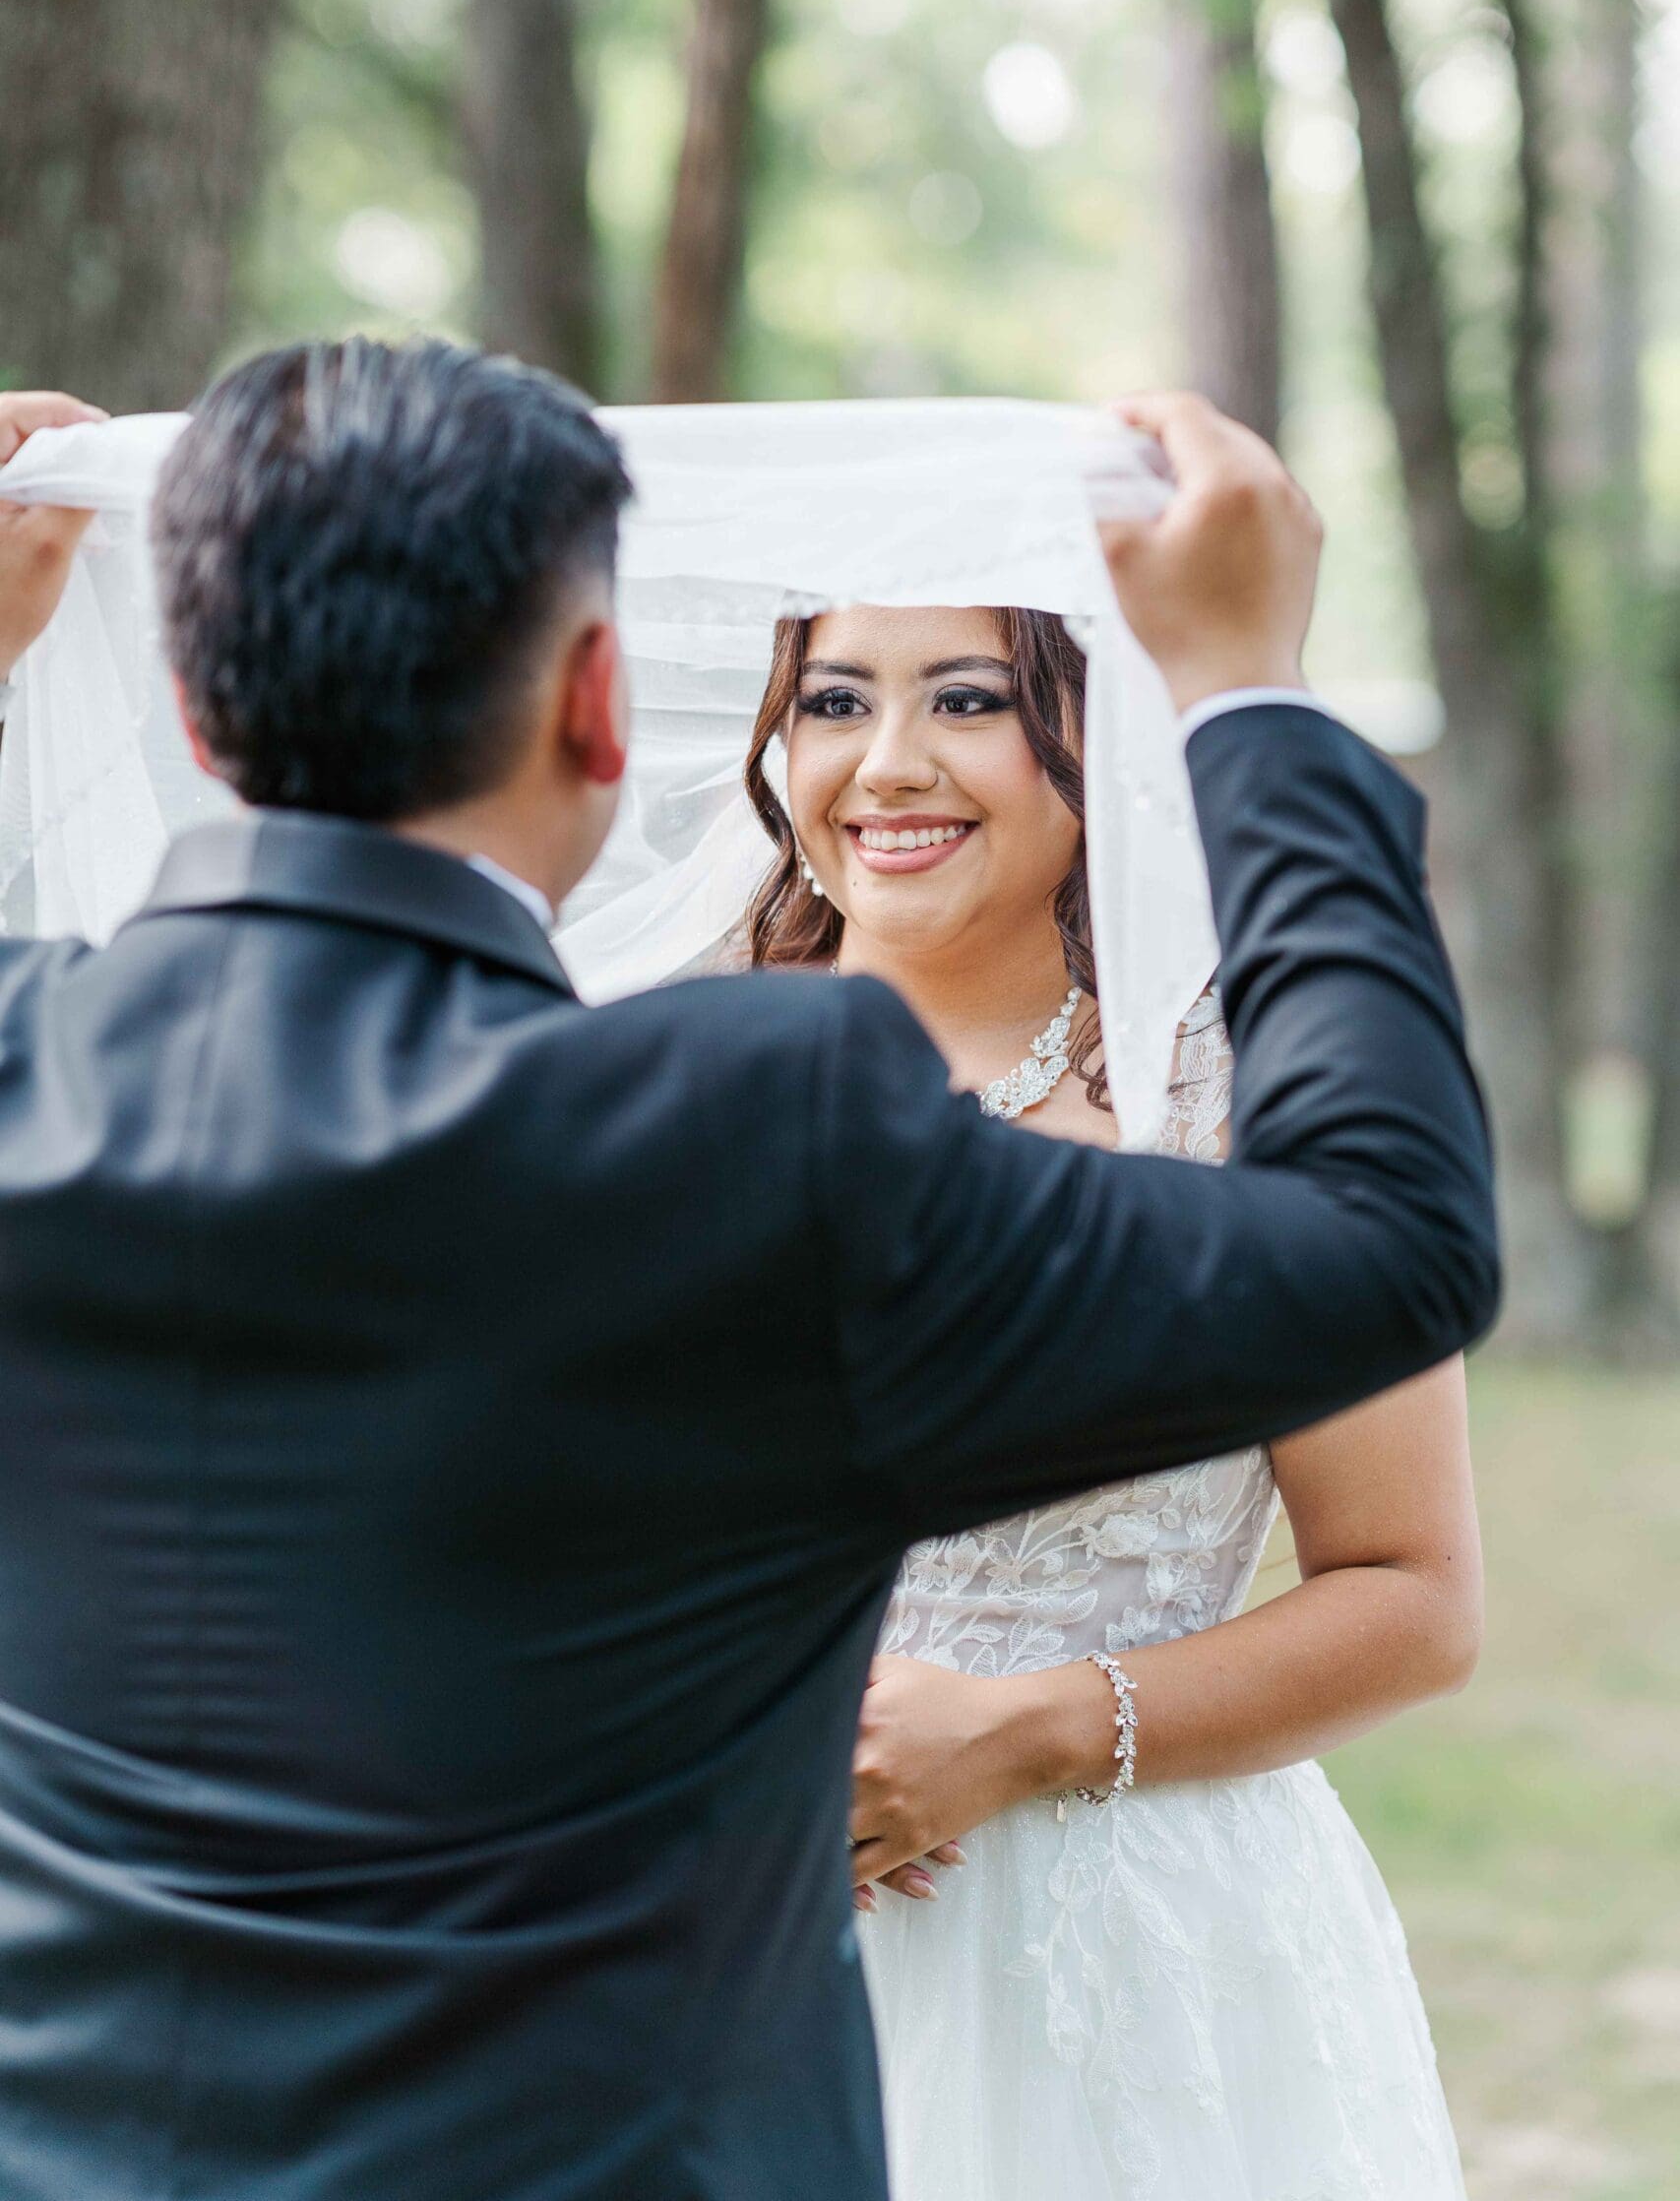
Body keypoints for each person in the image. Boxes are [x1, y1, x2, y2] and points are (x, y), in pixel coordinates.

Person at [0, 347, 1496, 2201]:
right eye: (837, 697)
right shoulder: (743, 1129)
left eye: (966, 697)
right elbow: (1389, 1247)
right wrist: (1251, 695)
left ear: (190, 708)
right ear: (603, 703)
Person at [744, 598, 1478, 2197]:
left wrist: (1025, 1732)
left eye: (967, 700)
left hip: (1124, 1969)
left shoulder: (1251, 1106)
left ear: (1102, 733)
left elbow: (1414, 1596)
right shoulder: (641, 1063)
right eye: (835, 701)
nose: (888, 764)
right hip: (704, 1944)